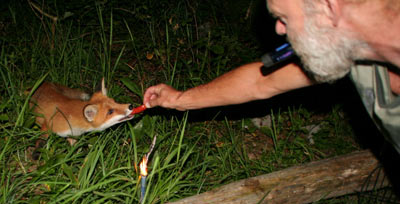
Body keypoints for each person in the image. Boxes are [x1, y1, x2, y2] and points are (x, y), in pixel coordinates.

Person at [143, 0, 400, 154]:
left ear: (328, 7)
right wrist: (178, 99)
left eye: (283, 17)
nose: (279, 30)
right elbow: (261, 81)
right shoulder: (349, 47)